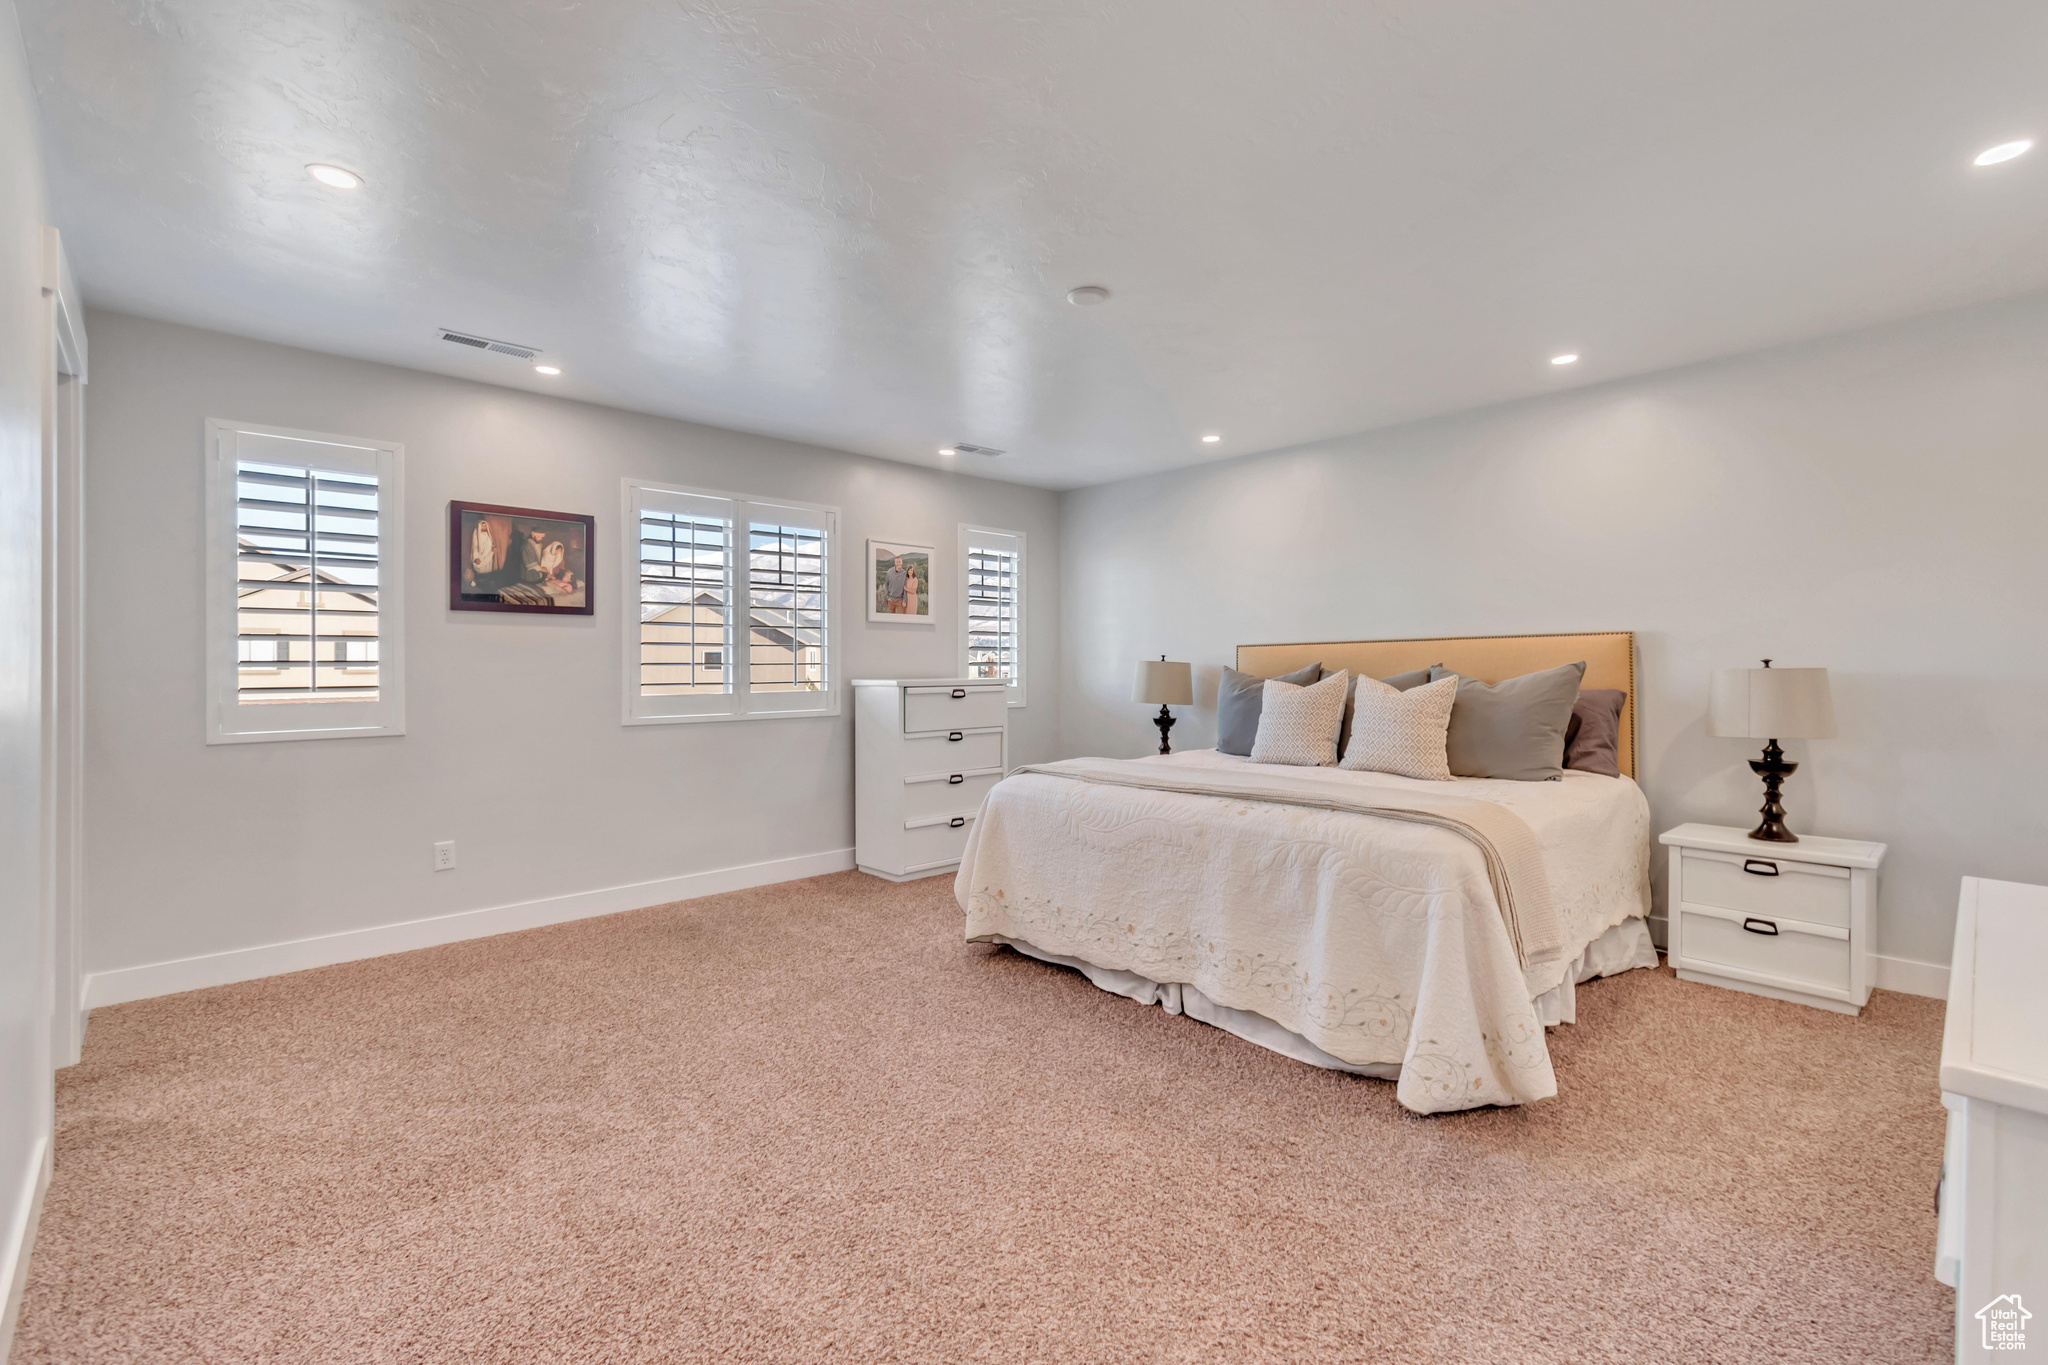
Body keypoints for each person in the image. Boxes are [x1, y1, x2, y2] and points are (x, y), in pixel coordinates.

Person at [469, 517, 495, 585]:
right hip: (480, 556)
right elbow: (474, 547)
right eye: (483, 525)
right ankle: (479, 583)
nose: (484, 527)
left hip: (488, 555)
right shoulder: (476, 534)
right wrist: (476, 557)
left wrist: (493, 548)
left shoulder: (488, 534)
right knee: (480, 570)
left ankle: (486, 584)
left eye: (485, 525)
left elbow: (490, 543)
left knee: (487, 570)